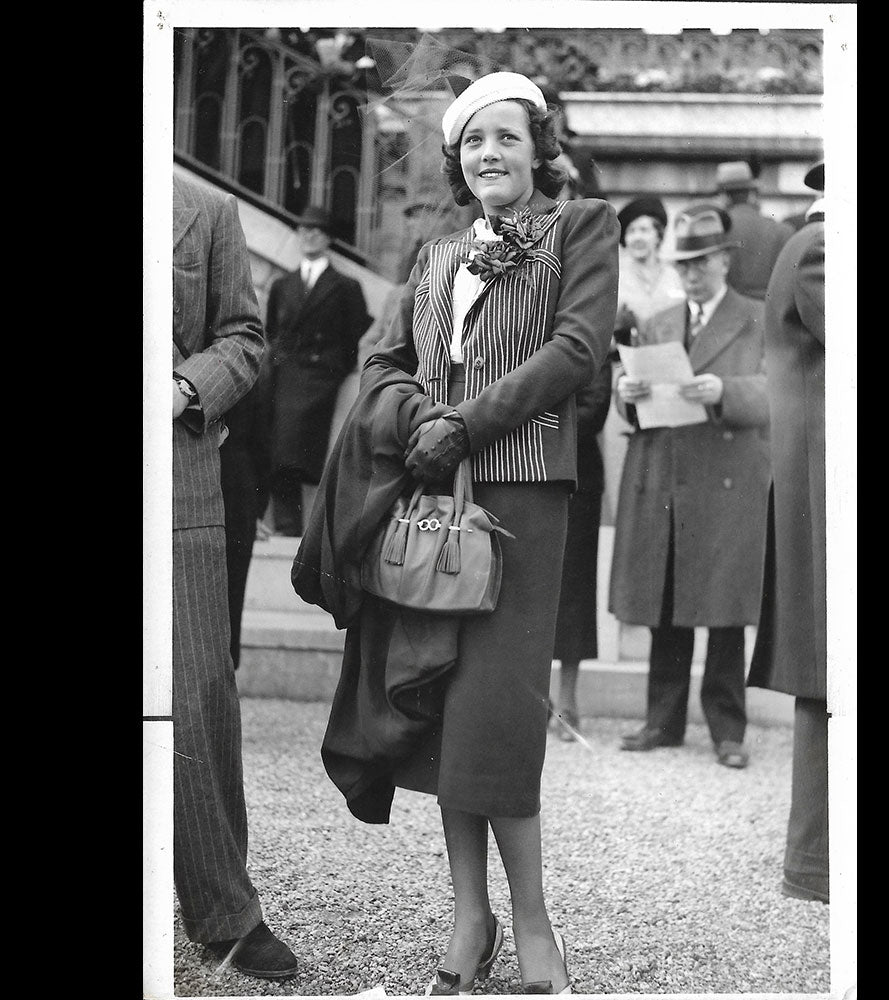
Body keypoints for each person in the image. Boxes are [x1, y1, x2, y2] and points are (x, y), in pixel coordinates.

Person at [294, 70, 619, 995]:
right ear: (457, 156)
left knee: (497, 715)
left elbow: (577, 349)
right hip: (431, 504)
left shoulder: (580, 227)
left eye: (507, 137)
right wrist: (413, 422)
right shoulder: (435, 253)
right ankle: (468, 922)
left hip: (521, 502)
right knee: (439, 712)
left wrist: (468, 421)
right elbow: (382, 361)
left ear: (539, 147)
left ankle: (533, 924)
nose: (490, 154)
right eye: (474, 141)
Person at [172, 173, 297, 978]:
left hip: (175, 479)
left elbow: (245, 339)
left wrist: (185, 387)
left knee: (196, 693)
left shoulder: (206, 211)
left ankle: (225, 914)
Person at [608, 204, 770, 768]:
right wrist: (624, 394)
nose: (692, 272)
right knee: (667, 601)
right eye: (685, 263)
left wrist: (724, 389)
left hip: (726, 482)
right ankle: (663, 720)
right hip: (672, 477)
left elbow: (779, 394)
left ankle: (729, 729)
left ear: (725, 260)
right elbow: (636, 402)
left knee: (724, 611)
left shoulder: (759, 317)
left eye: (702, 261)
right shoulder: (660, 321)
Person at [747, 159, 828, 903]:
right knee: (829, 679)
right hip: (825, 498)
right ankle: (818, 865)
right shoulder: (823, 248)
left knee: (830, 681)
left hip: (823, 492)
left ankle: (822, 864)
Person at [265, 205, 373, 536]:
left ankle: (301, 527)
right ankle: (288, 524)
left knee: (301, 450)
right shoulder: (284, 284)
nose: (309, 235)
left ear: (328, 238)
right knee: (280, 449)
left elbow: (354, 330)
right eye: (304, 229)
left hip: (321, 377)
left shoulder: (344, 286)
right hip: (287, 374)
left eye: (317, 230)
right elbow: (273, 330)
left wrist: (336, 366)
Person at [549, 353, 613, 741]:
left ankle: (568, 703)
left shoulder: (593, 345)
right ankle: (528, 700)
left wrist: (531, 420)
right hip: (523, 473)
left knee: (573, 595)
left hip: (577, 480)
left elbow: (593, 410)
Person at [219, 378, 271, 670]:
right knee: (231, 591)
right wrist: (258, 509)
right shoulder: (243, 375)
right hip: (238, 484)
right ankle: (226, 670)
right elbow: (263, 445)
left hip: (225, 478)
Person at [714, 160, 794, 301]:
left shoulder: (716, 232)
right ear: (751, 194)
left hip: (729, 315)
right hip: (769, 315)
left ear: (724, 197)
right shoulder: (783, 231)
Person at [613, 196, 685, 340]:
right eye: (631, 231)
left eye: (644, 230)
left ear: (658, 235)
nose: (637, 237)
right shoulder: (616, 278)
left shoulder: (674, 275)